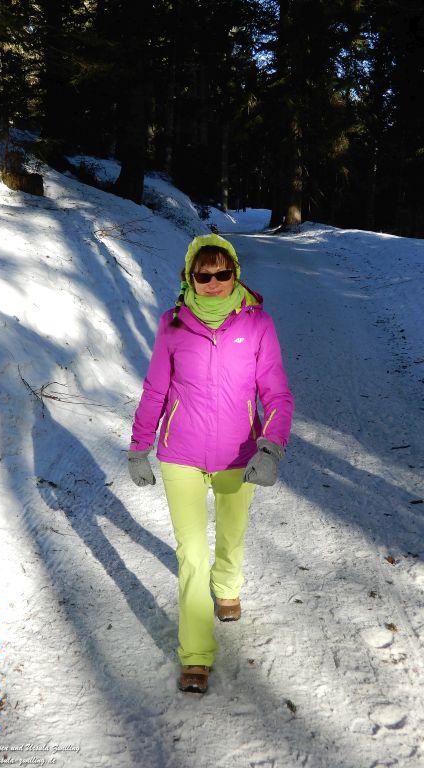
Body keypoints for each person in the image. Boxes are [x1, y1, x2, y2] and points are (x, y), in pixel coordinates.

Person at [127, 233, 294, 694]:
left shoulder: (257, 324)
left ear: (235, 273)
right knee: (191, 554)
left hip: (239, 453)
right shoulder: (173, 325)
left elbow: (275, 393)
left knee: (231, 535)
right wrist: (138, 446)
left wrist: (271, 446)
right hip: (179, 453)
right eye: (205, 275)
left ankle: (228, 586)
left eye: (224, 273)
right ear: (190, 277)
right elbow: (155, 390)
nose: (215, 282)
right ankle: (196, 654)